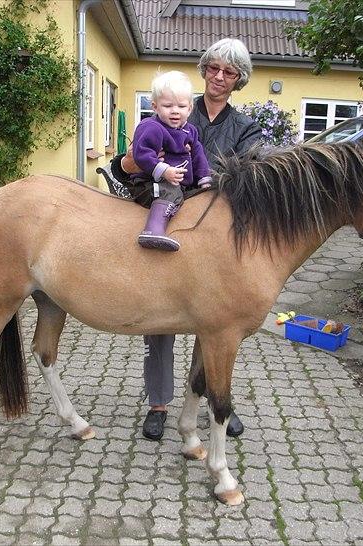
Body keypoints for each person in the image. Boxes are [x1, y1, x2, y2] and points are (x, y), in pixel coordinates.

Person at [99, 38, 262, 441]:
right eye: (213, 68)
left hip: (216, 242)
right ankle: (158, 402)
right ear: (204, 69)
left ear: (238, 80)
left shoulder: (246, 129)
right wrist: (130, 162)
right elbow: (129, 169)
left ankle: (213, 399)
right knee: (161, 320)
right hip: (170, 226)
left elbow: (250, 183)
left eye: (229, 72)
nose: (219, 78)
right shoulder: (172, 111)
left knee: (217, 325)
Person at [132, 71, 212, 252]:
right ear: (155, 106)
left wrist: (204, 179)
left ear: (190, 108)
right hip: (148, 183)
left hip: (179, 185)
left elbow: (198, 155)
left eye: (181, 106)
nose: (175, 111)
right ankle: (153, 231)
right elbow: (141, 153)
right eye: (167, 105)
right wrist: (164, 170)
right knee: (171, 191)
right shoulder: (152, 127)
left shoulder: (190, 131)